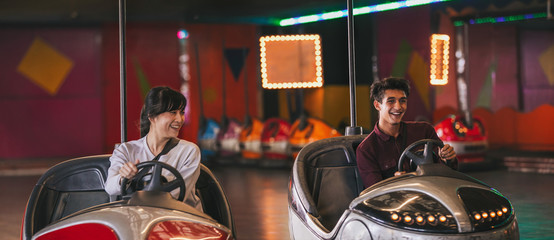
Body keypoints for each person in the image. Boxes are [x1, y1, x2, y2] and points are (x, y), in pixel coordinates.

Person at [105, 86, 203, 212]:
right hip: (138, 219)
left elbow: (175, 197)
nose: (180, 119)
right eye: (173, 112)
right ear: (152, 117)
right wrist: (124, 177)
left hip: (180, 218)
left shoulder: (189, 151)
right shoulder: (126, 150)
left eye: (182, 112)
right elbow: (110, 187)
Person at [356, 77, 458, 188]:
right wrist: (393, 183)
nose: (398, 107)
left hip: (432, 196)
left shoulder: (424, 131)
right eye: (391, 101)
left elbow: (448, 172)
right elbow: (374, 193)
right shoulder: (367, 150)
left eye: (402, 101)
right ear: (377, 105)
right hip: (396, 203)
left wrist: (448, 158)